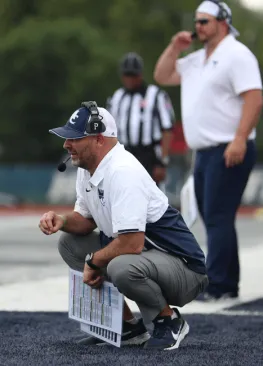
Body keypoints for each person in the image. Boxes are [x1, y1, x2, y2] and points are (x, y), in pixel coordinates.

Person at [39, 101, 208, 350]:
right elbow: (85, 222)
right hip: (149, 257)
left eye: (75, 138)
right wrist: (61, 220)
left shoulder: (123, 171)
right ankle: (125, 326)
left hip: (185, 269)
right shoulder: (89, 169)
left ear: (98, 139)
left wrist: (93, 262)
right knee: (69, 242)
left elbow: (132, 242)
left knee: (120, 266)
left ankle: (168, 321)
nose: (66, 144)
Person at [154, 0, 263, 301]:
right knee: (213, 216)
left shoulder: (236, 54)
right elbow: (162, 75)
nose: (197, 26)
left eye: (204, 21)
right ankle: (226, 284)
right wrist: (175, 47)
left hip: (228, 147)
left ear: (222, 22)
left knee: (217, 216)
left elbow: (254, 98)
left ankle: (218, 284)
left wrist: (240, 138)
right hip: (204, 152)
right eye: (196, 21)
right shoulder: (198, 58)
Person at [107, 52, 175, 186]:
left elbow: (167, 129)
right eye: (127, 75)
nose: (130, 79)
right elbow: (109, 130)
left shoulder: (156, 95)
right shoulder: (117, 97)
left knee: (150, 199)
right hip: (124, 153)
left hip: (149, 155)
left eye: (133, 75)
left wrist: (163, 162)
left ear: (140, 74)